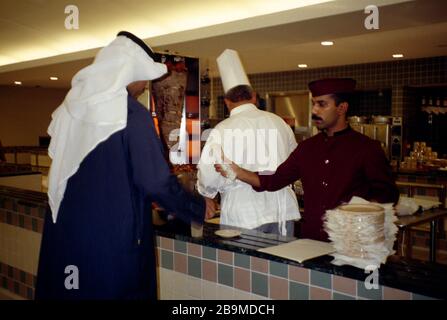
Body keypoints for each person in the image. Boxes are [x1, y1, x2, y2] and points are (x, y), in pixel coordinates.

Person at [35, 31, 207, 300]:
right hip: (112, 241)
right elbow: (155, 181)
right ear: (131, 73)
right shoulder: (129, 114)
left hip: (66, 236)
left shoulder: (71, 107)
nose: (143, 87)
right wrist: (197, 208)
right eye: (143, 79)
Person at [216, 78, 399, 241]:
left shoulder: (366, 148)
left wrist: (358, 214)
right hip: (311, 240)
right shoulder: (307, 148)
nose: (314, 110)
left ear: (342, 108)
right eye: (313, 104)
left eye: (322, 104)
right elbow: (273, 180)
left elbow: (387, 193)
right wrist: (237, 171)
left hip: (351, 243)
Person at [197, 49, 300, 236]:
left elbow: (209, 174)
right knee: (283, 265)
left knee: (246, 265)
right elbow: (295, 162)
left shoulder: (222, 129)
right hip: (282, 211)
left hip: (244, 214)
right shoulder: (279, 123)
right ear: (254, 97)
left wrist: (207, 195)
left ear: (227, 102)